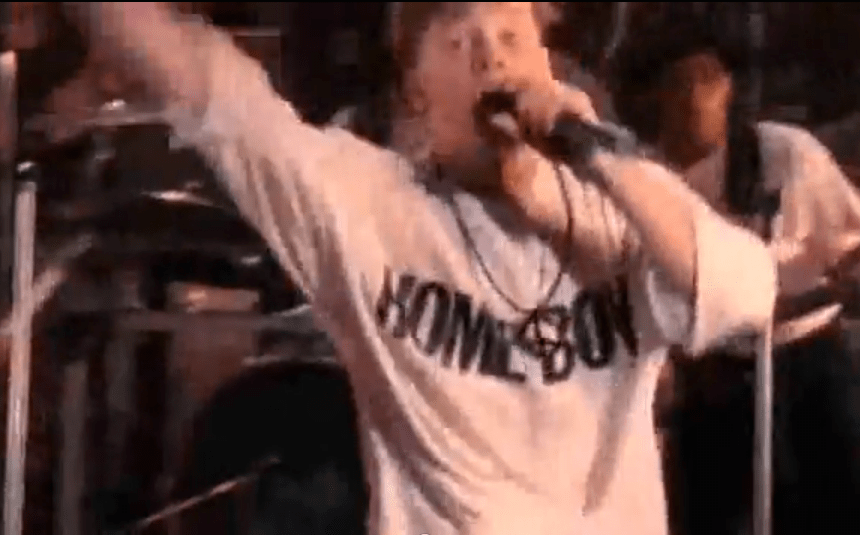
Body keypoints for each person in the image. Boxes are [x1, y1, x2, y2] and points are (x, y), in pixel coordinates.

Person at [60, 3, 777, 535]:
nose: (490, 58)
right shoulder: (369, 205)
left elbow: (749, 293)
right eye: (460, 41)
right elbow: (209, 86)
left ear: (546, 66)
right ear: (415, 90)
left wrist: (594, 155)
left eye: (511, 38)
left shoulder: (616, 210)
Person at [612, 19, 860, 535]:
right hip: (714, 374)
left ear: (728, 88)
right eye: (681, 82)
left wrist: (821, 287)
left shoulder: (782, 153)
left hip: (807, 357)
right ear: (655, 96)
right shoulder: (641, 178)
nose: (696, 97)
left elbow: (850, 241)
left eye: (710, 79)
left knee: (834, 505)